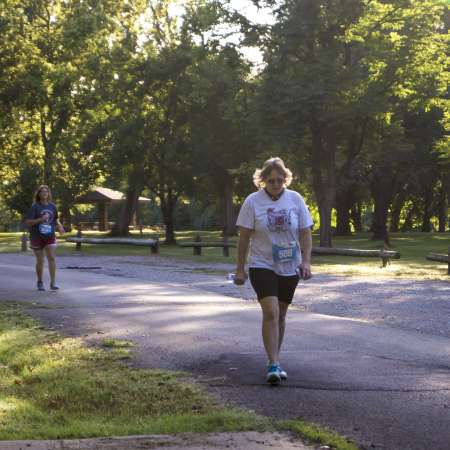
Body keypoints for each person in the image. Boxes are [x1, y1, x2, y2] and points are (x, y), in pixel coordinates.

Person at [235, 157, 313, 384]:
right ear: (262, 181)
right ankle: (273, 364)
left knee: (281, 314)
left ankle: (274, 359)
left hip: (289, 265)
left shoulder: (295, 199)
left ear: (286, 179)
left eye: (280, 180)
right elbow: (243, 238)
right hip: (262, 264)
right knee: (270, 312)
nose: (276, 185)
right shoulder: (252, 202)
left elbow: (305, 233)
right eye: (271, 181)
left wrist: (306, 262)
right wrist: (240, 269)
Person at [25, 185, 65, 291]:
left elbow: (56, 219)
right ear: (39, 194)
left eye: (46, 192)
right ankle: (40, 281)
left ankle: (53, 283)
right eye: (42, 192)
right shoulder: (35, 207)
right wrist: (40, 219)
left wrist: (60, 226)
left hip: (50, 235)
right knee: (40, 260)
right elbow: (28, 222)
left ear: (48, 194)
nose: (44, 194)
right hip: (36, 236)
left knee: (51, 257)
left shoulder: (52, 206)